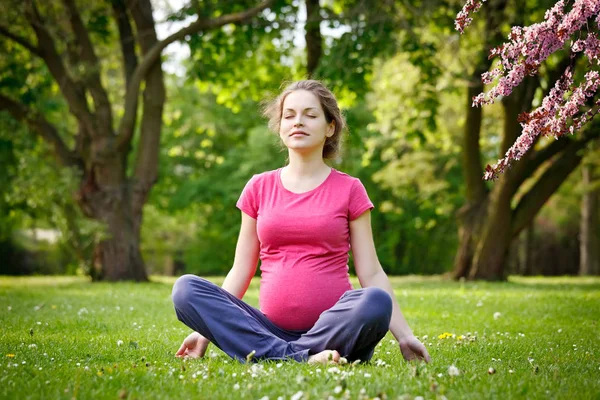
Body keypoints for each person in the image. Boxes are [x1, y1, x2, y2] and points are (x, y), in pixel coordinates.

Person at [171, 80, 431, 364]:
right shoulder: (258, 187)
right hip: (268, 331)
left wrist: (405, 335)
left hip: (335, 332)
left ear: (330, 127)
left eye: (310, 114)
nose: (298, 122)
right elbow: (242, 269)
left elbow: (371, 272)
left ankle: (281, 356)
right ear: (280, 127)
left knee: (375, 301)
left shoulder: (350, 189)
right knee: (186, 289)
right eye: (289, 115)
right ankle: (302, 357)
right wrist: (205, 331)